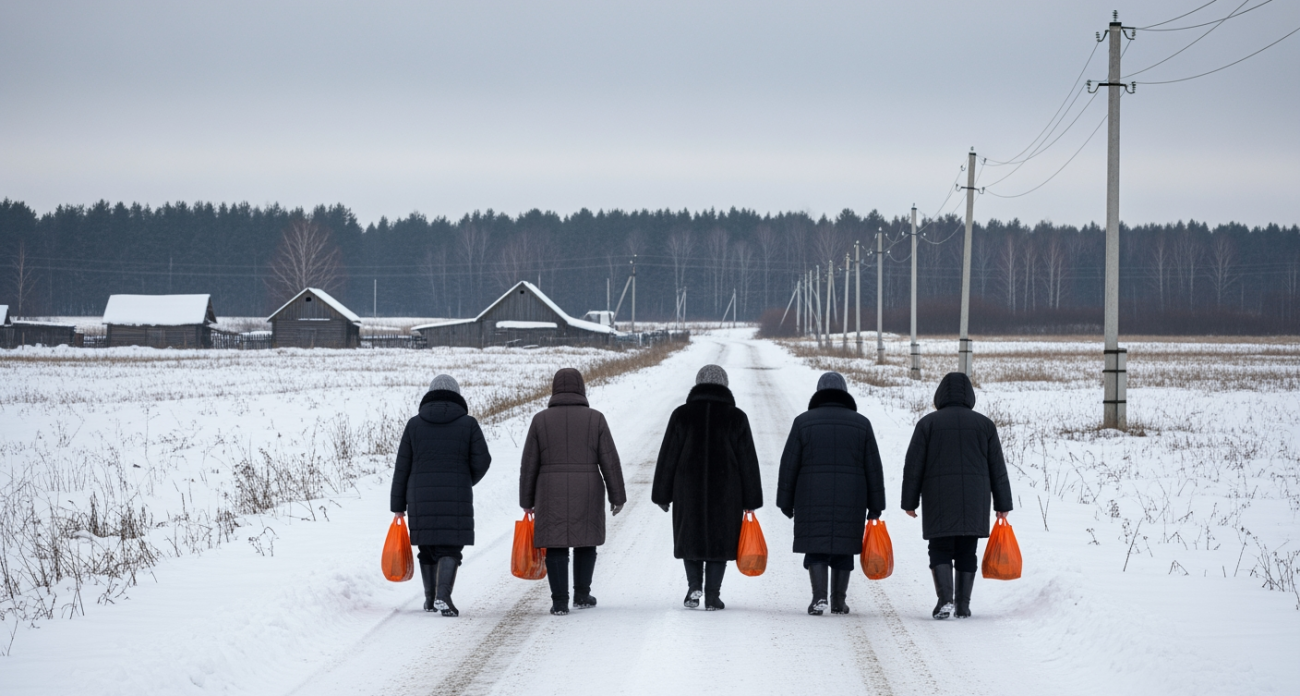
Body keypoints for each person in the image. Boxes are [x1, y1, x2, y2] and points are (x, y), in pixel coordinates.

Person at [901, 371, 1012, 620]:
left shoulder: (927, 424)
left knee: (939, 547)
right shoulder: (985, 425)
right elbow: (998, 468)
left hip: (938, 498)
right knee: (967, 549)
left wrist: (909, 501)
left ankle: (944, 601)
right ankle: (963, 605)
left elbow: (913, 465)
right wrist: (1003, 503)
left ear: (940, 395)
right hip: (974, 499)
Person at [652, 364, 763, 611]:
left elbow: (668, 455)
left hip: (687, 487)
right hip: (726, 489)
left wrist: (662, 493)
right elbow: (748, 460)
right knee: (720, 541)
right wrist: (751, 498)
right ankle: (712, 596)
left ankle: (694, 587)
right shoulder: (737, 417)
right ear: (725, 385)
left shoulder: (681, 414)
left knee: (690, 537)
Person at [520, 368, 627, 616]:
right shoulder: (596, 419)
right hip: (587, 487)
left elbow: (529, 464)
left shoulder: (540, 420)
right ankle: (581, 594)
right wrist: (617, 496)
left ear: (554, 389)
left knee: (556, 544)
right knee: (585, 540)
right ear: (582, 388)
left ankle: (559, 601)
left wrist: (526, 500)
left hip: (549, 489)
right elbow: (609, 460)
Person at [777, 372, 886, 616]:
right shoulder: (861, 423)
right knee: (844, 547)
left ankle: (818, 598)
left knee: (815, 545)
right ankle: (838, 601)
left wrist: (785, 501)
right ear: (845, 393)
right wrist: (876, 504)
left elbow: (789, 465)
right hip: (852, 497)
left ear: (818, 393)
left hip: (810, 496)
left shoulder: (803, 422)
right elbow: (873, 467)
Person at [391, 374, 491, 617]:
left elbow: (402, 466)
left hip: (419, 497)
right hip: (455, 494)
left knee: (427, 548)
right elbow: (483, 460)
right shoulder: (468, 423)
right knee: (450, 548)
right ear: (457, 396)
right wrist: (466, 480)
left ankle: (429, 599)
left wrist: (397, 504)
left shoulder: (414, 424)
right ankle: (443, 597)